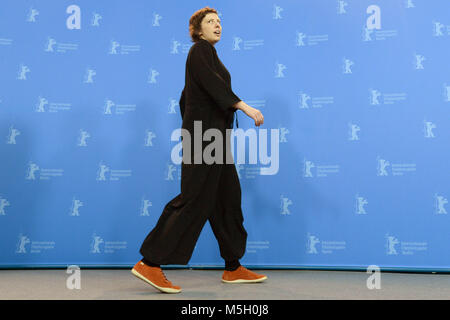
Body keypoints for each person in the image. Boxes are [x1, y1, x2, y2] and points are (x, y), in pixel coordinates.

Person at [131, 7, 266, 294]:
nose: (217, 25)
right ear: (198, 30)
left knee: (227, 199)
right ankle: (150, 263)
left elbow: (186, 98)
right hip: (204, 142)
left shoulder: (210, 57)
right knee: (194, 200)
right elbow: (215, 88)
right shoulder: (199, 52)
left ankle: (233, 267)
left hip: (213, 141)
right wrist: (242, 106)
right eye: (210, 22)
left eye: (219, 21)